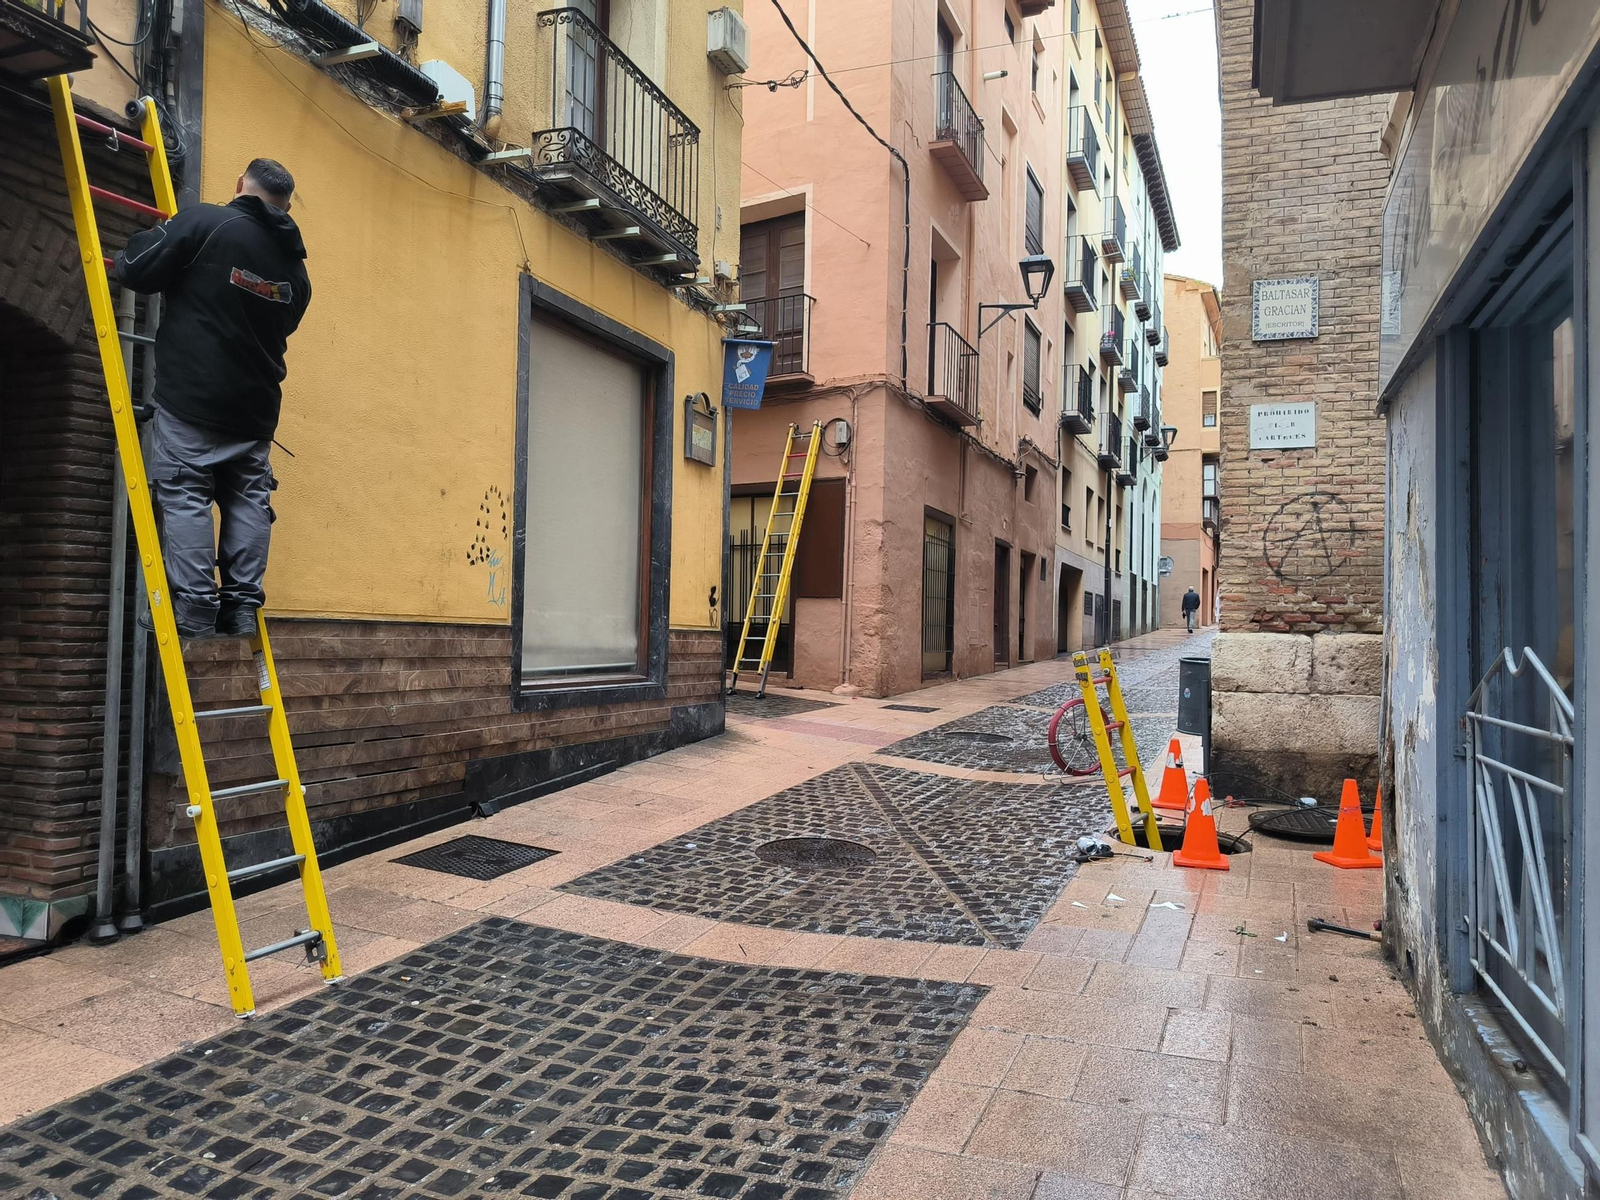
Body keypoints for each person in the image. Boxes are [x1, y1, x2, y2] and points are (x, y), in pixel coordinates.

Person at [116, 158, 311, 638]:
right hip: (255, 412)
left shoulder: (207, 222)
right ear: (285, 205)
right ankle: (242, 607)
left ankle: (197, 609)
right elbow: (279, 321)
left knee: (185, 494)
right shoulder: (296, 271)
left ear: (240, 185)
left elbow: (134, 270)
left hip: (193, 400)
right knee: (248, 501)